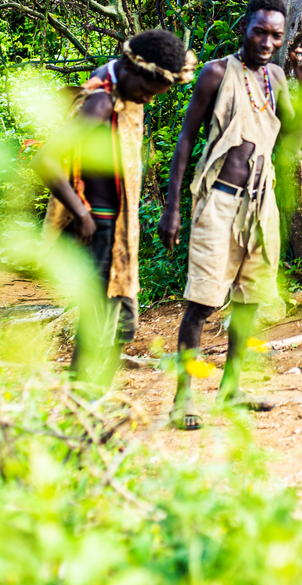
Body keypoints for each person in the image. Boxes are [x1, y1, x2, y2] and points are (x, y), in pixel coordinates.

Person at [158, 0, 302, 429]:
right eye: (260, 31)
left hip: (260, 204)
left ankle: (231, 388)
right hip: (219, 202)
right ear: (243, 28)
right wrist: (173, 208)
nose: (268, 41)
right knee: (201, 303)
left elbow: (292, 137)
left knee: (248, 301)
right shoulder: (216, 73)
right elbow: (186, 141)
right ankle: (183, 398)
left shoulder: (279, 78)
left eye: (276, 35)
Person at [34, 29, 197, 389]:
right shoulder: (101, 103)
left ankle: (97, 394)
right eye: (144, 92)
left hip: (117, 222)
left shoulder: (120, 84)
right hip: (98, 224)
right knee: (99, 315)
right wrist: (81, 214)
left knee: (114, 310)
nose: (145, 99)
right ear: (129, 67)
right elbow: (46, 160)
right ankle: (84, 395)